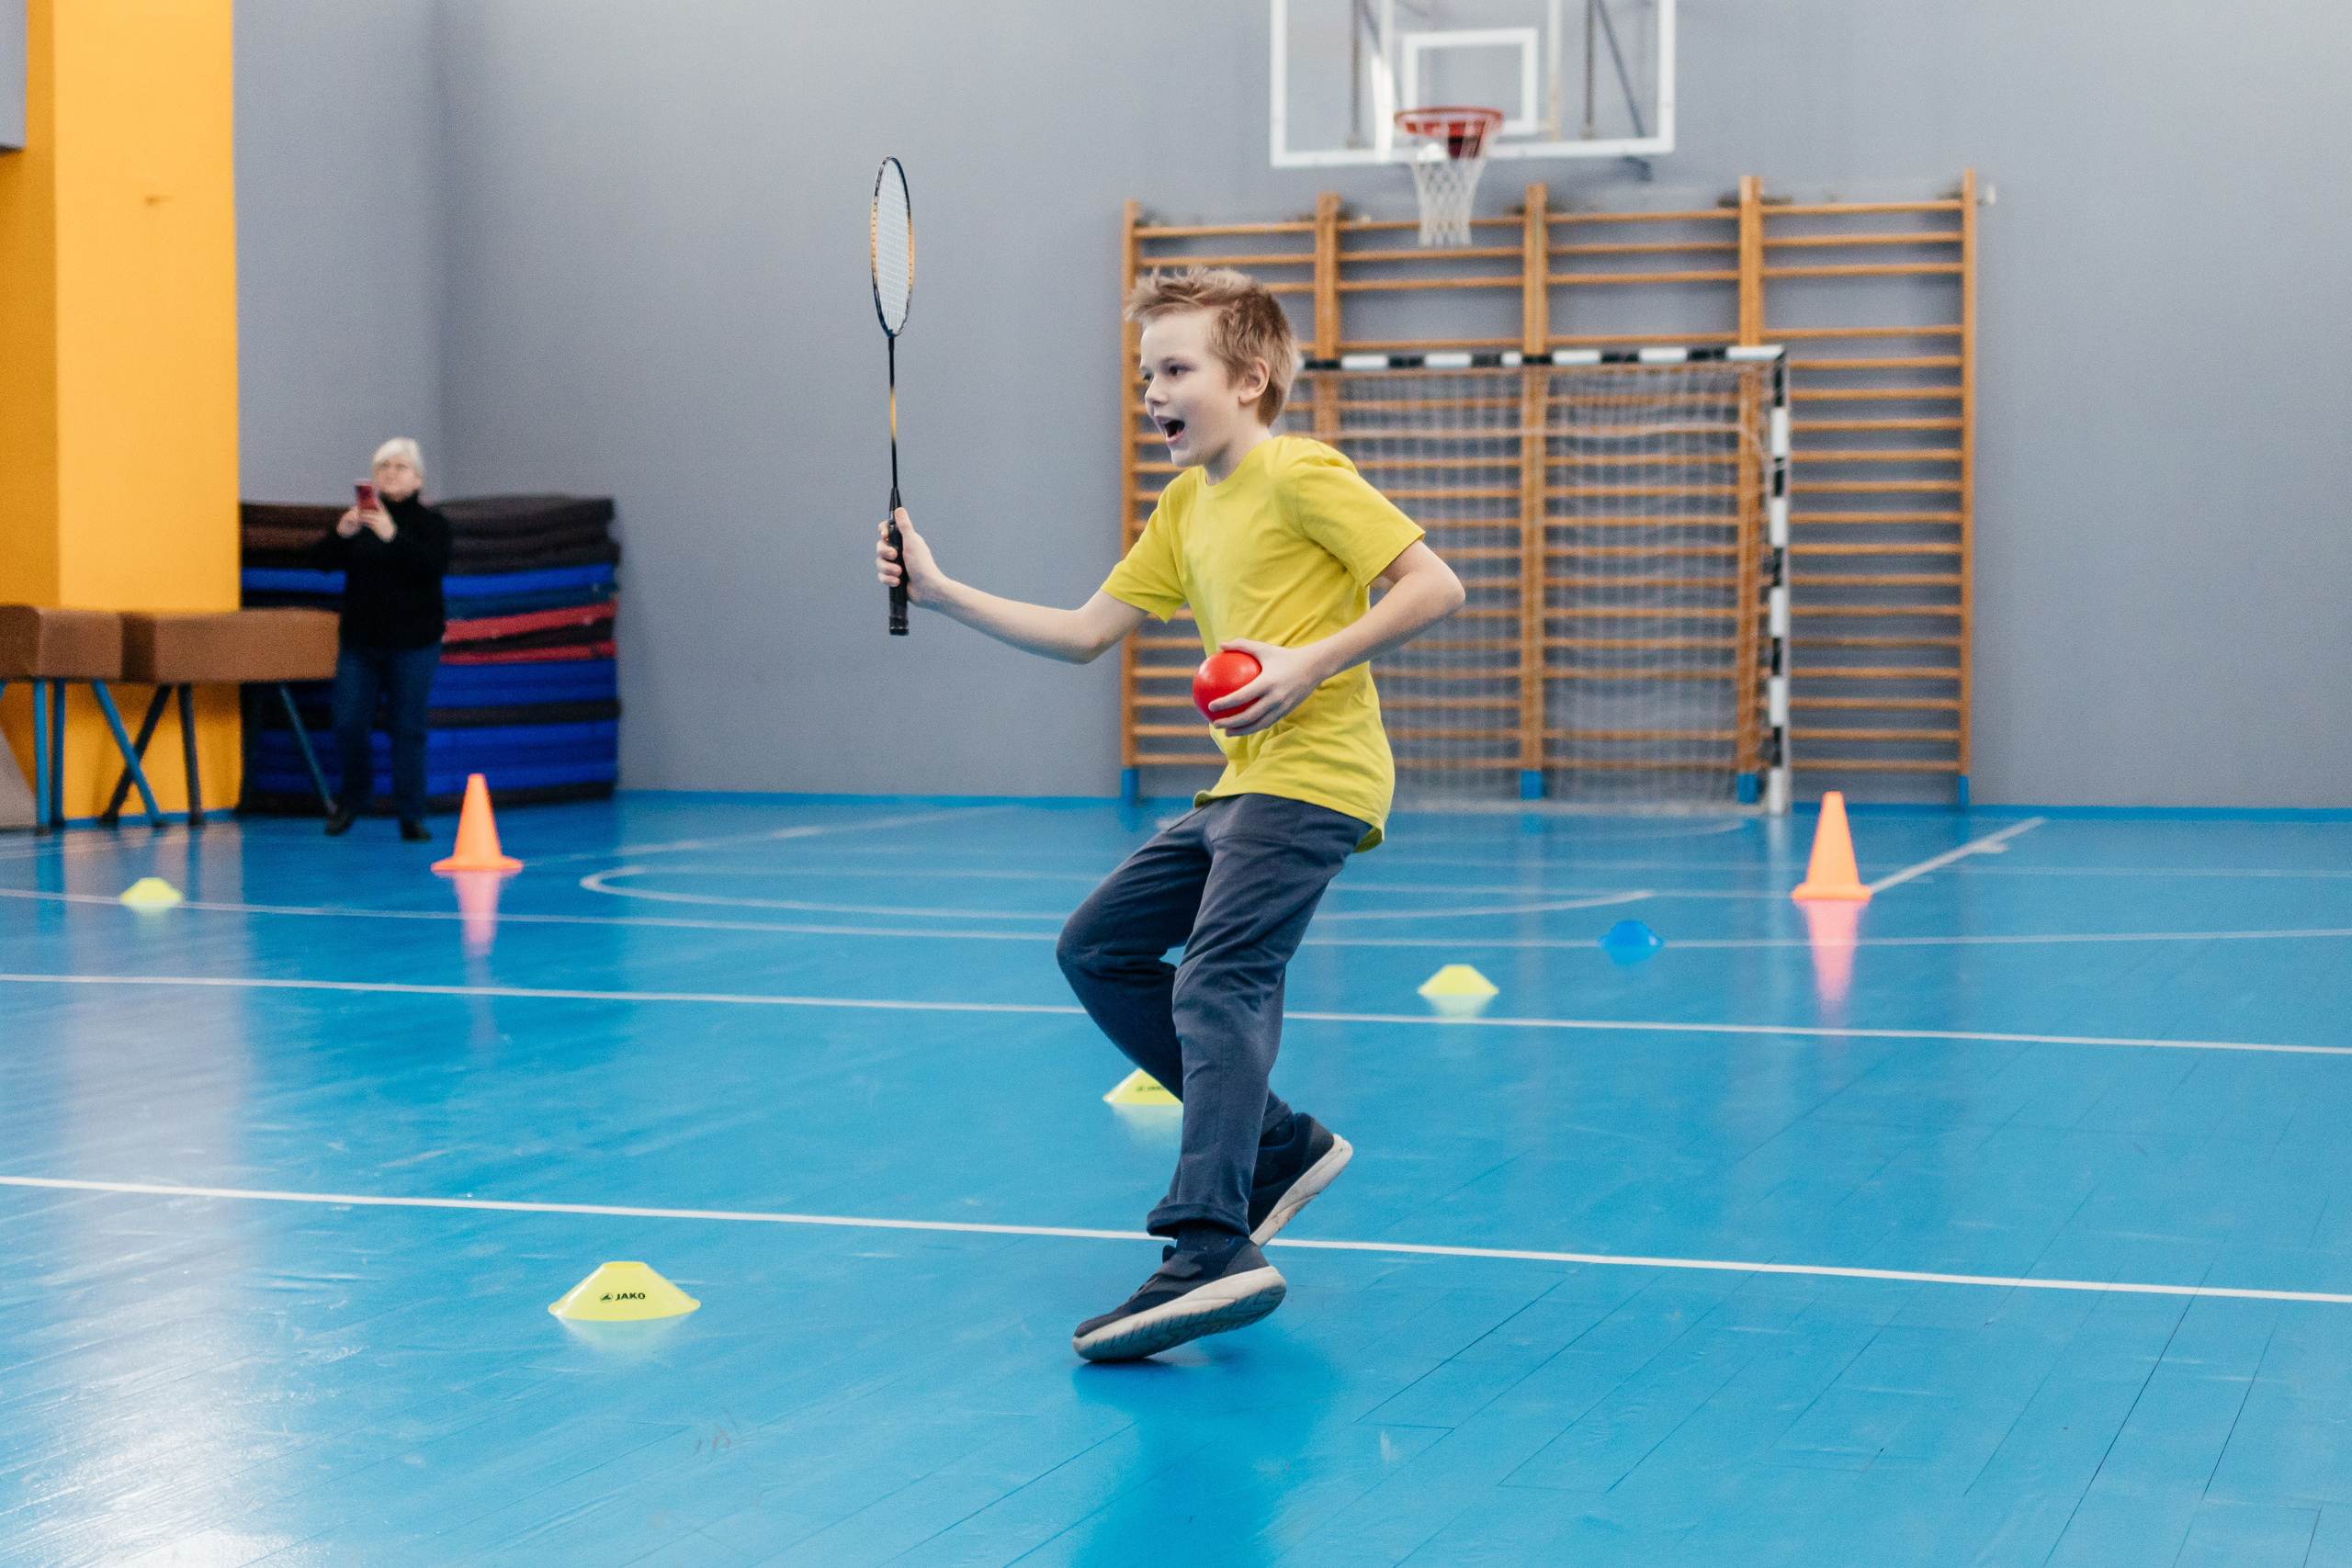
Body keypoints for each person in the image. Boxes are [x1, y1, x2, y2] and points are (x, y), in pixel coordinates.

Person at [876, 266, 1464, 1362]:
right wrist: (943, 590)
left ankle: (1210, 1242)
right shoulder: (1185, 505)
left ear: (1248, 378)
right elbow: (1085, 632)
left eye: (1177, 368)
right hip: (1239, 784)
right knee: (1096, 947)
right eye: (1145, 372)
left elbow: (1434, 585)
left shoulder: (1302, 472)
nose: (1152, 390)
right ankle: (1279, 1147)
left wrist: (1307, 663)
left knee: (1219, 978)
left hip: (1317, 772)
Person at [310, 437, 452, 840]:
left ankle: (411, 813)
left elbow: (430, 567)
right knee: (348, 722)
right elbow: (318, 563)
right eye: (383, 467)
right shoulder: (361, 523)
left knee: (408, 727)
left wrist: (394, 536)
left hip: (415, 644)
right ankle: (354, 800)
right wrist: (340, 533)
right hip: (361, 643)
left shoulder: (432, 525)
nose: (391, 473)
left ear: (418, 478)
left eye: (400, 466)